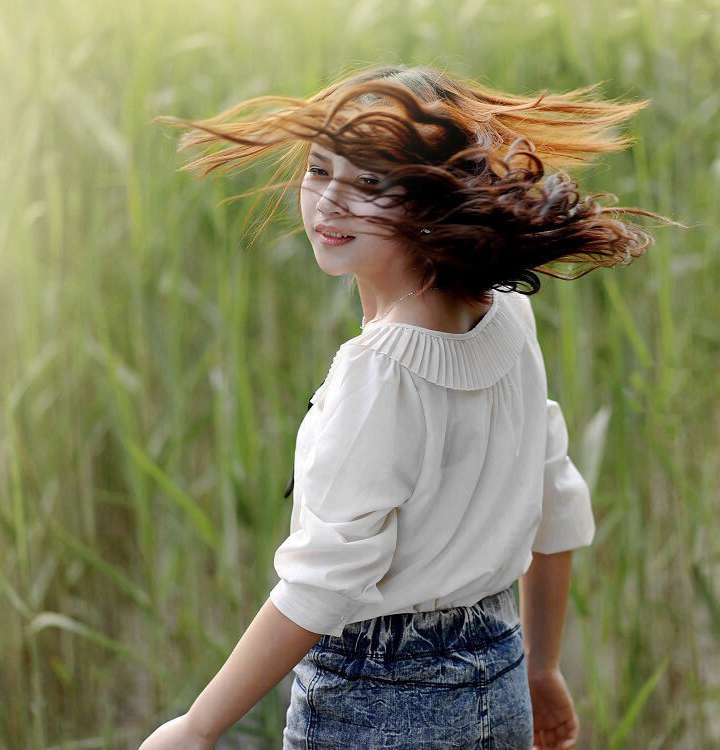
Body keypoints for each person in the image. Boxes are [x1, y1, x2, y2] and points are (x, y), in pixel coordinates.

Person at [141, 64, 679, 750]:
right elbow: (555, 495)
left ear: (432, 196)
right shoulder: (508, 320)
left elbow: (322, 585)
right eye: (319, 169)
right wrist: (540, 667)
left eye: (370, 183)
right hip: (498, 670)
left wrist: (197, 727)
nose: (329, 202)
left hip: (378, 700)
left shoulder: (382, 371)